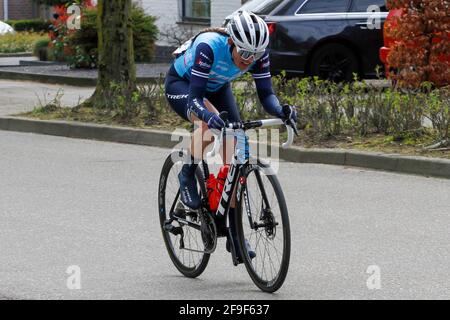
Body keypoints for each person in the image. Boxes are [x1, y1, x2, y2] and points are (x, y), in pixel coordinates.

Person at [164, 11, 297, 263]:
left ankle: (235, 234)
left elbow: (266, 95)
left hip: (216, 87)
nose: (249, 61)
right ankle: (187, 173)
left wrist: (282, 110)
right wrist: (209, 118)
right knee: (207, 125)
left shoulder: (256, 52)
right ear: (231, 42)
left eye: (255, 55)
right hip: (182, 85)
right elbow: (195, 98)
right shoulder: (209, 48)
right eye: (245, 54)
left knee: (236, 154)